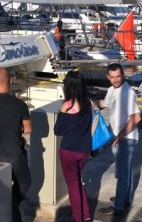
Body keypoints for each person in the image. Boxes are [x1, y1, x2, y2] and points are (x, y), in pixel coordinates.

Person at [0, 68, 32, 221]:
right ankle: (10, 205)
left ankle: (5, 205)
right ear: (10, 81)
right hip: (13, 154)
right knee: (24, 183)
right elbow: (28, 129)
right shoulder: (19, 104)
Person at [97, 63, 141, 216]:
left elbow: (136, 117)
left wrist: (120, 136)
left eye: (118, 76)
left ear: (123, 75)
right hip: (119, 137)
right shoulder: (111, 90)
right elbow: (105, 104)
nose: (116, 80)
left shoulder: (127, 93)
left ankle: (119, 206)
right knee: (126, 170)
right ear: (108, 77)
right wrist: (91, 103)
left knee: (121, 174)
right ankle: (126, 197)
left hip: (125, 139)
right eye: (113, 77)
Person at [53, 71, 93, 222]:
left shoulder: (67, 106)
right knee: (78, 181)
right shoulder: (87, 102)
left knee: (72, 185)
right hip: (85, 150)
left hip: (69, 150)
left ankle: (78, 218)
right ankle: (86, 214)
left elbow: (57, 130)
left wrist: (61, 113)